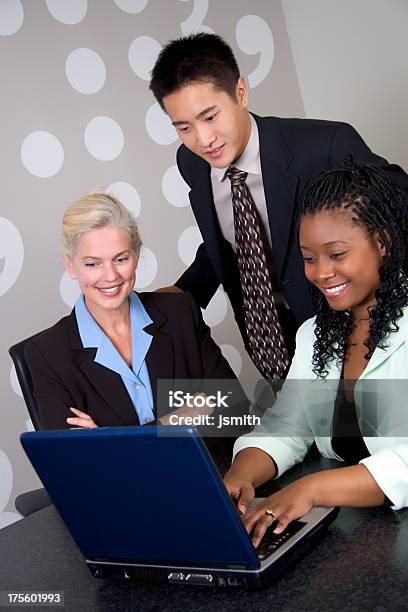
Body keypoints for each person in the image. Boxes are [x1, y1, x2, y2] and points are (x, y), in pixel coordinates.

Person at [149, 32, 408, 380]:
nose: (203, 139)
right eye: (184, 127)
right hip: (270, 345)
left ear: (240, 93)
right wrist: (185, 293)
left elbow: (397, 211)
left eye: (210, 117)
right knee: (288, 433)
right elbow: (235, 235)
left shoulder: (326, 145)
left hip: (349, 342)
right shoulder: (192, 162)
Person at [222, 160, 408, 547]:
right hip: (355, 535)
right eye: (309, 258)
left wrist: (311, 489)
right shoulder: (315, 335)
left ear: (383, 243)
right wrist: (241, 475)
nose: (321, 272)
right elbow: (288, 425)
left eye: (336, 254)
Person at [25, 192, 249, 441]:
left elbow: (234, 410)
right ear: (70, 265)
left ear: (136, 254)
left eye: (120, 259)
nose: (110, 276)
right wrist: (186, 414)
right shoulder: (46, 353)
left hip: (204, 473)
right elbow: (74, 462)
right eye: (92, 264)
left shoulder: (180, 312)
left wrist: (113, 440)